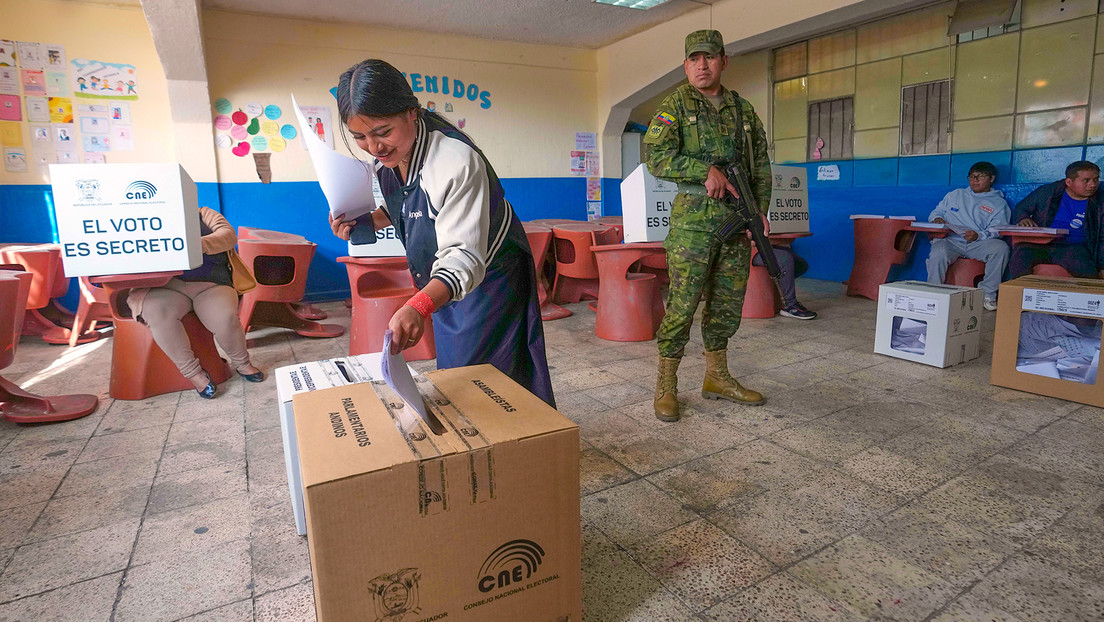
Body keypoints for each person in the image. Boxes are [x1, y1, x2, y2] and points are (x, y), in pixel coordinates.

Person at [328, 59, 554, 407]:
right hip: (444, 279)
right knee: (458, 374)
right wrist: (364, 223)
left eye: (382, 132)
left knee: (482, 379)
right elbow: (401, 206)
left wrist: (419, 304)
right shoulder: (391, 157)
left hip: (489, 280)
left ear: (411, 113)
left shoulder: (455, 161)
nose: (374, 147)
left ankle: (518, 449)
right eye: (360, 137)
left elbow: (464, 257)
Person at [644, 29, 771, 422]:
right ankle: (666, 385)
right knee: (683, 304)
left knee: (727, 304)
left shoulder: (743, 110)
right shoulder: (676, 105)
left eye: (710, 58)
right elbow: (655, 156)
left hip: (735, 219)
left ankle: (717, 376)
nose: (702, 65)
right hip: (693, 226)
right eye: (694, 59)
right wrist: (704, 171)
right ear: (685, 65)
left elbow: (761, 165)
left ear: (723, 61)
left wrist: (760, 211)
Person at [125, 207, 264, 398]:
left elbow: (228, 235)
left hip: (210, 283)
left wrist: (194, 245)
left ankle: (243, 364)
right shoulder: (136, 220)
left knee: (225, 318)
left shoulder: (203, 213)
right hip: (164, 288)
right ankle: (195, 375)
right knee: (157, 314)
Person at [924, 161, 1011, 311]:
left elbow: (998, 229)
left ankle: (988, 294)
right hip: (951, 240)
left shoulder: (998, 203)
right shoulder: (955, 195)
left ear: (991, 179)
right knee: (939, 251)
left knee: (1001, 248)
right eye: (971, 176)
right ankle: (934, 292)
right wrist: (936, 219)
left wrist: (979, 235)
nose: (975, 180)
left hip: (977, 243)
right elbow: (936, 212)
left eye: (980, 176)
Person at [1009, 161, 1104, 279]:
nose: (1093, 185)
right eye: (1086, 181)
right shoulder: (1048, 192)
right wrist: (1023, 218)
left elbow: (1102, 238)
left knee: (1083, 268)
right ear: (1069, 182)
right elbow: (1022, 207)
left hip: (1074, 248)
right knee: (1020, 255)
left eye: (1096, 179)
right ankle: (1017, 294)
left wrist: (1102, 266)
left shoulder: (1101, 200)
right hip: (1042, 245)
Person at [751, 245, 817, 319]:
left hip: (762, 245)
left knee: (801, 264)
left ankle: (781, 293)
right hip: (747, 251)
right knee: (785, 258)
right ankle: (789, 305)